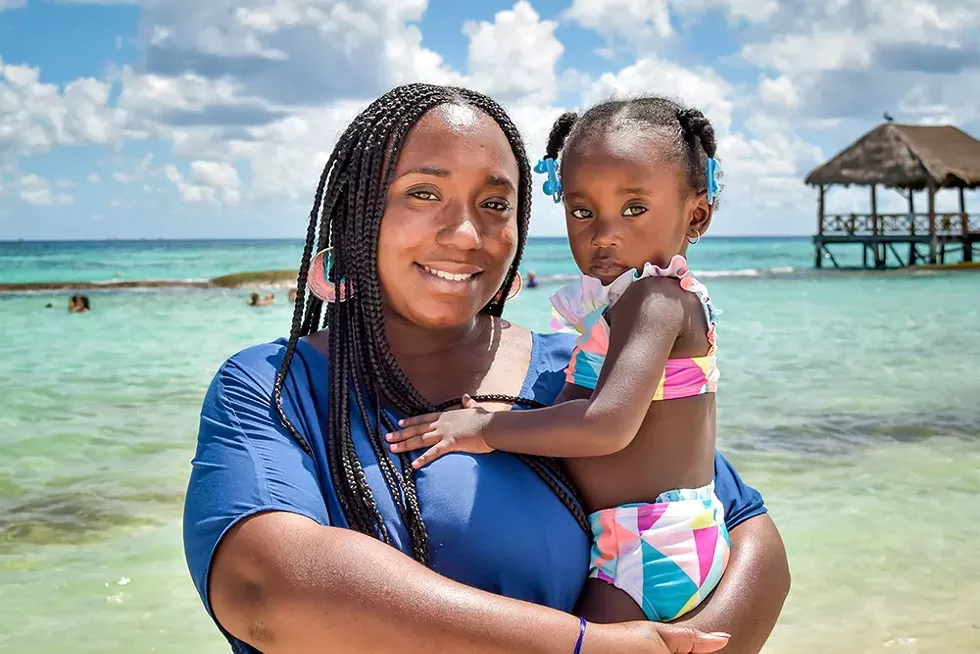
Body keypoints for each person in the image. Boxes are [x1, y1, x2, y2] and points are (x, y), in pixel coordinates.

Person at [182, 84, 790, 654]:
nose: (467, 233)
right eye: (423, 193)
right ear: (357, 213)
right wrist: (593, 647)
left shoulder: (571, 367)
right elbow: (267, 585)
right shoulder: (275, 388)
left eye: (495, 203)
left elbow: (745, 536)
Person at [390, 96, 732, 625]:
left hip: (650, 544)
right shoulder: (639, 302)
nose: (603, 233)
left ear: (696, 215)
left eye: (634, 209)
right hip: (661, 533)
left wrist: (484, 429)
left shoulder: (654, 300)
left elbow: (605, 427)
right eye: (581, 211)